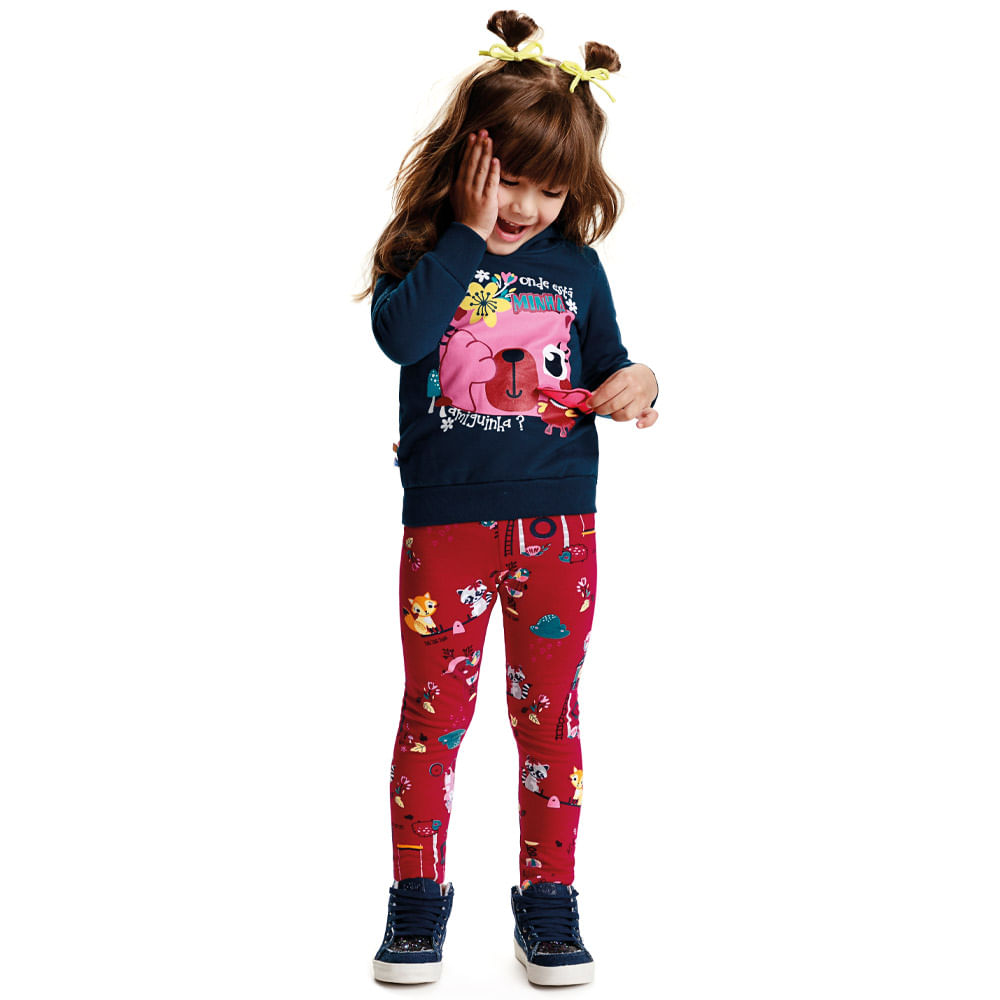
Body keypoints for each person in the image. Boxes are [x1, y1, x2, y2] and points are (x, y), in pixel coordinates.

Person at [358, 10, 659, 986]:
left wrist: (640, 382)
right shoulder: (427, 252)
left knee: (549, 718)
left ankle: (548, 899)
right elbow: (402, 340)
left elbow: (610, 365)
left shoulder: (577, 268)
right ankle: (417, 898)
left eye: (549, 188)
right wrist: (463, 231)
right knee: (432, 717)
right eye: (508, 180)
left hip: (560, 527)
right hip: (446, 526)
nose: (526, 205)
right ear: (467, 162)